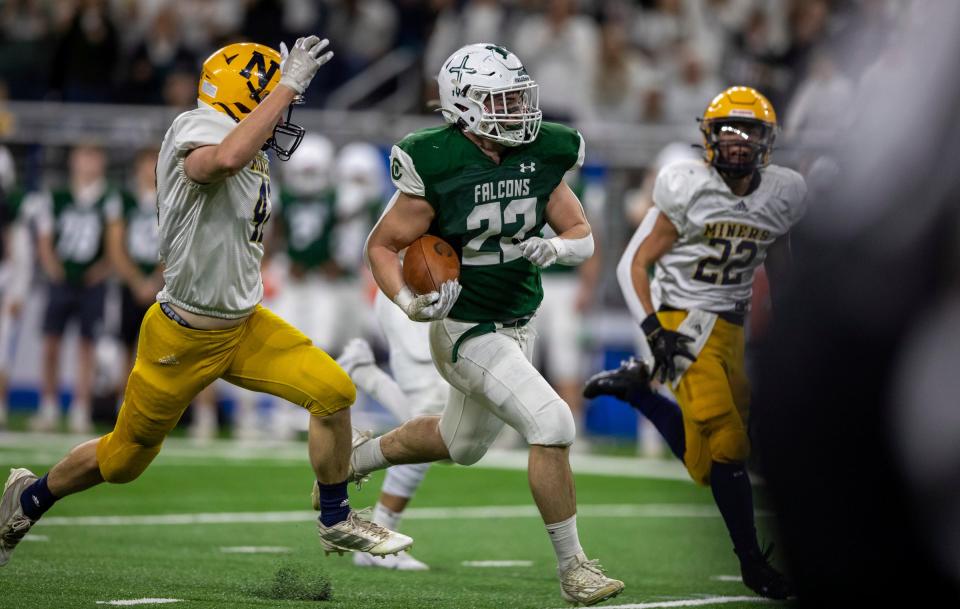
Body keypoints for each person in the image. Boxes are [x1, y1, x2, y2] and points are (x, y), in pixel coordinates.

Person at [0, 36, 412, 567]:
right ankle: (28, 498)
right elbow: (220, 159)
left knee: (334, 392)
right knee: (124, 460)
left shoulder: (250, 145)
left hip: (242, 325)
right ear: (244, 96)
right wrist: (285, 86)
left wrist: (280, 92)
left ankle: (335, 520)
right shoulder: (197, 127)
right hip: (182, 334)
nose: (284, 113)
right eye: (273, 100)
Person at [352, 43, 624, 606]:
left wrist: (556, 251)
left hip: (519, 320)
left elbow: (583, 234)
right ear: (465, 105)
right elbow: (382, 244)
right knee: (553, 424)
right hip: (465, 327)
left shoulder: (544, 151)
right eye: (503, 98)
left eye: (520, 95)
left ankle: (355, 459)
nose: (518, 108)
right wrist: (406, 300)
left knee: (460, 444)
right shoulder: (435, 159)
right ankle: (575, 567)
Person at [584, 86, 806, 600]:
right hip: (681, 317)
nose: (738, 142)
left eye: (749, 131)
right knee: (730, 443)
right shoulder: (688, 185)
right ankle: (753, 565)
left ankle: (638, 393)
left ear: (767, 140)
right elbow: (633, 263)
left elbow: (780, 265)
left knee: (712, 468)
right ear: (708, 137)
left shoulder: (782, 193)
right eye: (728, 130)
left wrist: (787, 324)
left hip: (732, 324)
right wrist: (654, 329)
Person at [31, 143, 115, 434]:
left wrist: (102, 268)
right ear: (73, 161)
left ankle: (81, 406)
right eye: (83, 156)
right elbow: (44, 238)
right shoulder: (55, 196)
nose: (88, 163)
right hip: (61, 278)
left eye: (93, 156)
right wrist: (53, 268)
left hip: (93, 281)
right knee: (51, 344)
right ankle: (49, 405)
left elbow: (115, 240)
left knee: (87, 347)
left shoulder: (109, 198)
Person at [105, 148, 163, 404]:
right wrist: (137, 280)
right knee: (126, 345)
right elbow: (115, 245)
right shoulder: (124, 200)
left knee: (164, 347)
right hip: (131, 281)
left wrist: (157, 279)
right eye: (146, 163)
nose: (149, 170)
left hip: (165, 283)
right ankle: (125, 401)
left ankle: (158, 404)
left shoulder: (173, 198)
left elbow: (181, 244)